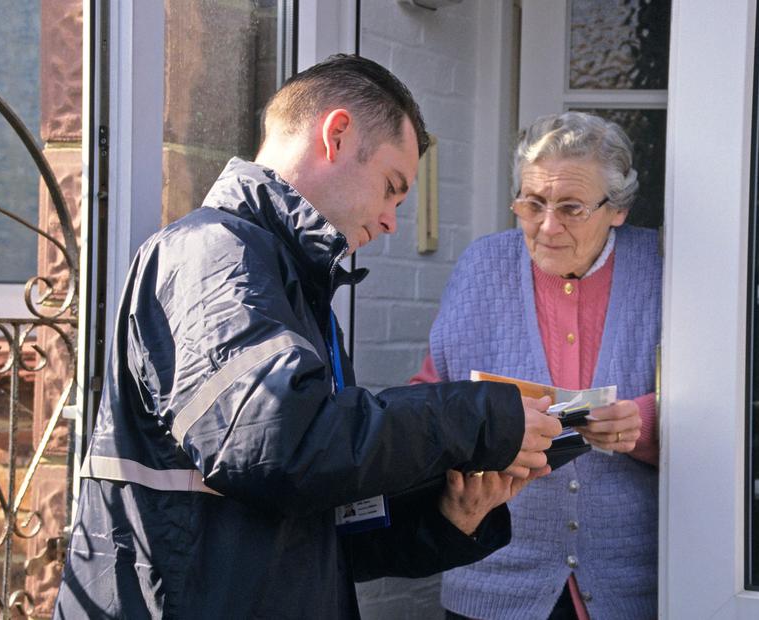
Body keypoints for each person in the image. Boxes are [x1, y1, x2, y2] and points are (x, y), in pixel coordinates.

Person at [53, 54, 562, 619]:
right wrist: (482, 418)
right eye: (391, 188)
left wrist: (452, 515)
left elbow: (323, 531)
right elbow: (276, 445)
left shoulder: (285, 282)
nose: (391, 220)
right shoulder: (214, 256)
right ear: (336, 135)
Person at [411, 111, 662, 619]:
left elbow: (727, 406)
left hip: (630, 579)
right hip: (493, 575)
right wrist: (473, 431)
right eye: (532, 204)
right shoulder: (482, 266)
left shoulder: (661, 267)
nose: (547, 227)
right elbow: (425, 397)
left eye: (571, 208)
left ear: (618, 208)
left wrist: (645, 421)